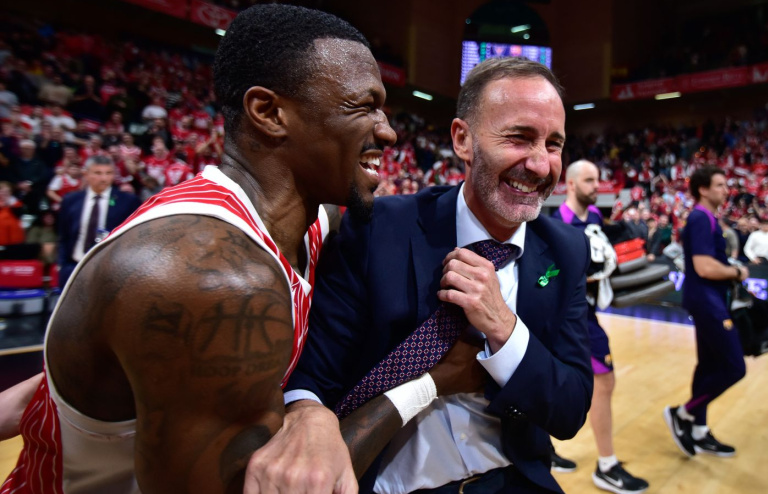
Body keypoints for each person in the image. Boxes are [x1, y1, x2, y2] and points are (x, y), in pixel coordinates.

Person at [1, 5, 396, 493]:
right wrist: (427, 386)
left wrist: (303, 407)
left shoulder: (309, 221)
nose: (387, 129)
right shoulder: (206, 276)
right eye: (363, 106)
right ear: (270, 113)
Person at [266, 57, 593, 493]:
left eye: (553, 144)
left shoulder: (566, 250)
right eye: (519, 138)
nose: (539, 164)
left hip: (514, 480)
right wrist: (307, 414)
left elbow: (570, 410)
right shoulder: (376, 228)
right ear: (463, 139)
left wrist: (505, 329)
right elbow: (313, 379)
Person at [552, 159, 649, 494]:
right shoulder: (556, 224)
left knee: (556, 383)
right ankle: (606, 466)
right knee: (604, 382)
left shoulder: (594, 219)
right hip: (570, 318)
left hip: (588, 313)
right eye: (590, 181)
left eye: (598, 179)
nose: (598, 186)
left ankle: (544, 449)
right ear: (573, 184)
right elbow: (548, 276)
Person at [664, 166, 749, 459]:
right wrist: (736, 271)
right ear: (703, 189)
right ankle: (683, 413)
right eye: (720, 185)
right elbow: (703, 266)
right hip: (707, 301)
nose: (726, 190)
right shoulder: (700, 218)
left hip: (710, 300)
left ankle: (699, 430)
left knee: (709, 366)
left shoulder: (709, 218)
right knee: (734, 367)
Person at [55, 155, 141, 287]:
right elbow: (63, 235)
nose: (104, 178)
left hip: (111, 272)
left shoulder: (128, 202)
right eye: (98, 173)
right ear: (86, 174)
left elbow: (134, 238)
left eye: (108, 173)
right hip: (73, 268)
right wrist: (62, 265)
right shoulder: (70, 200)